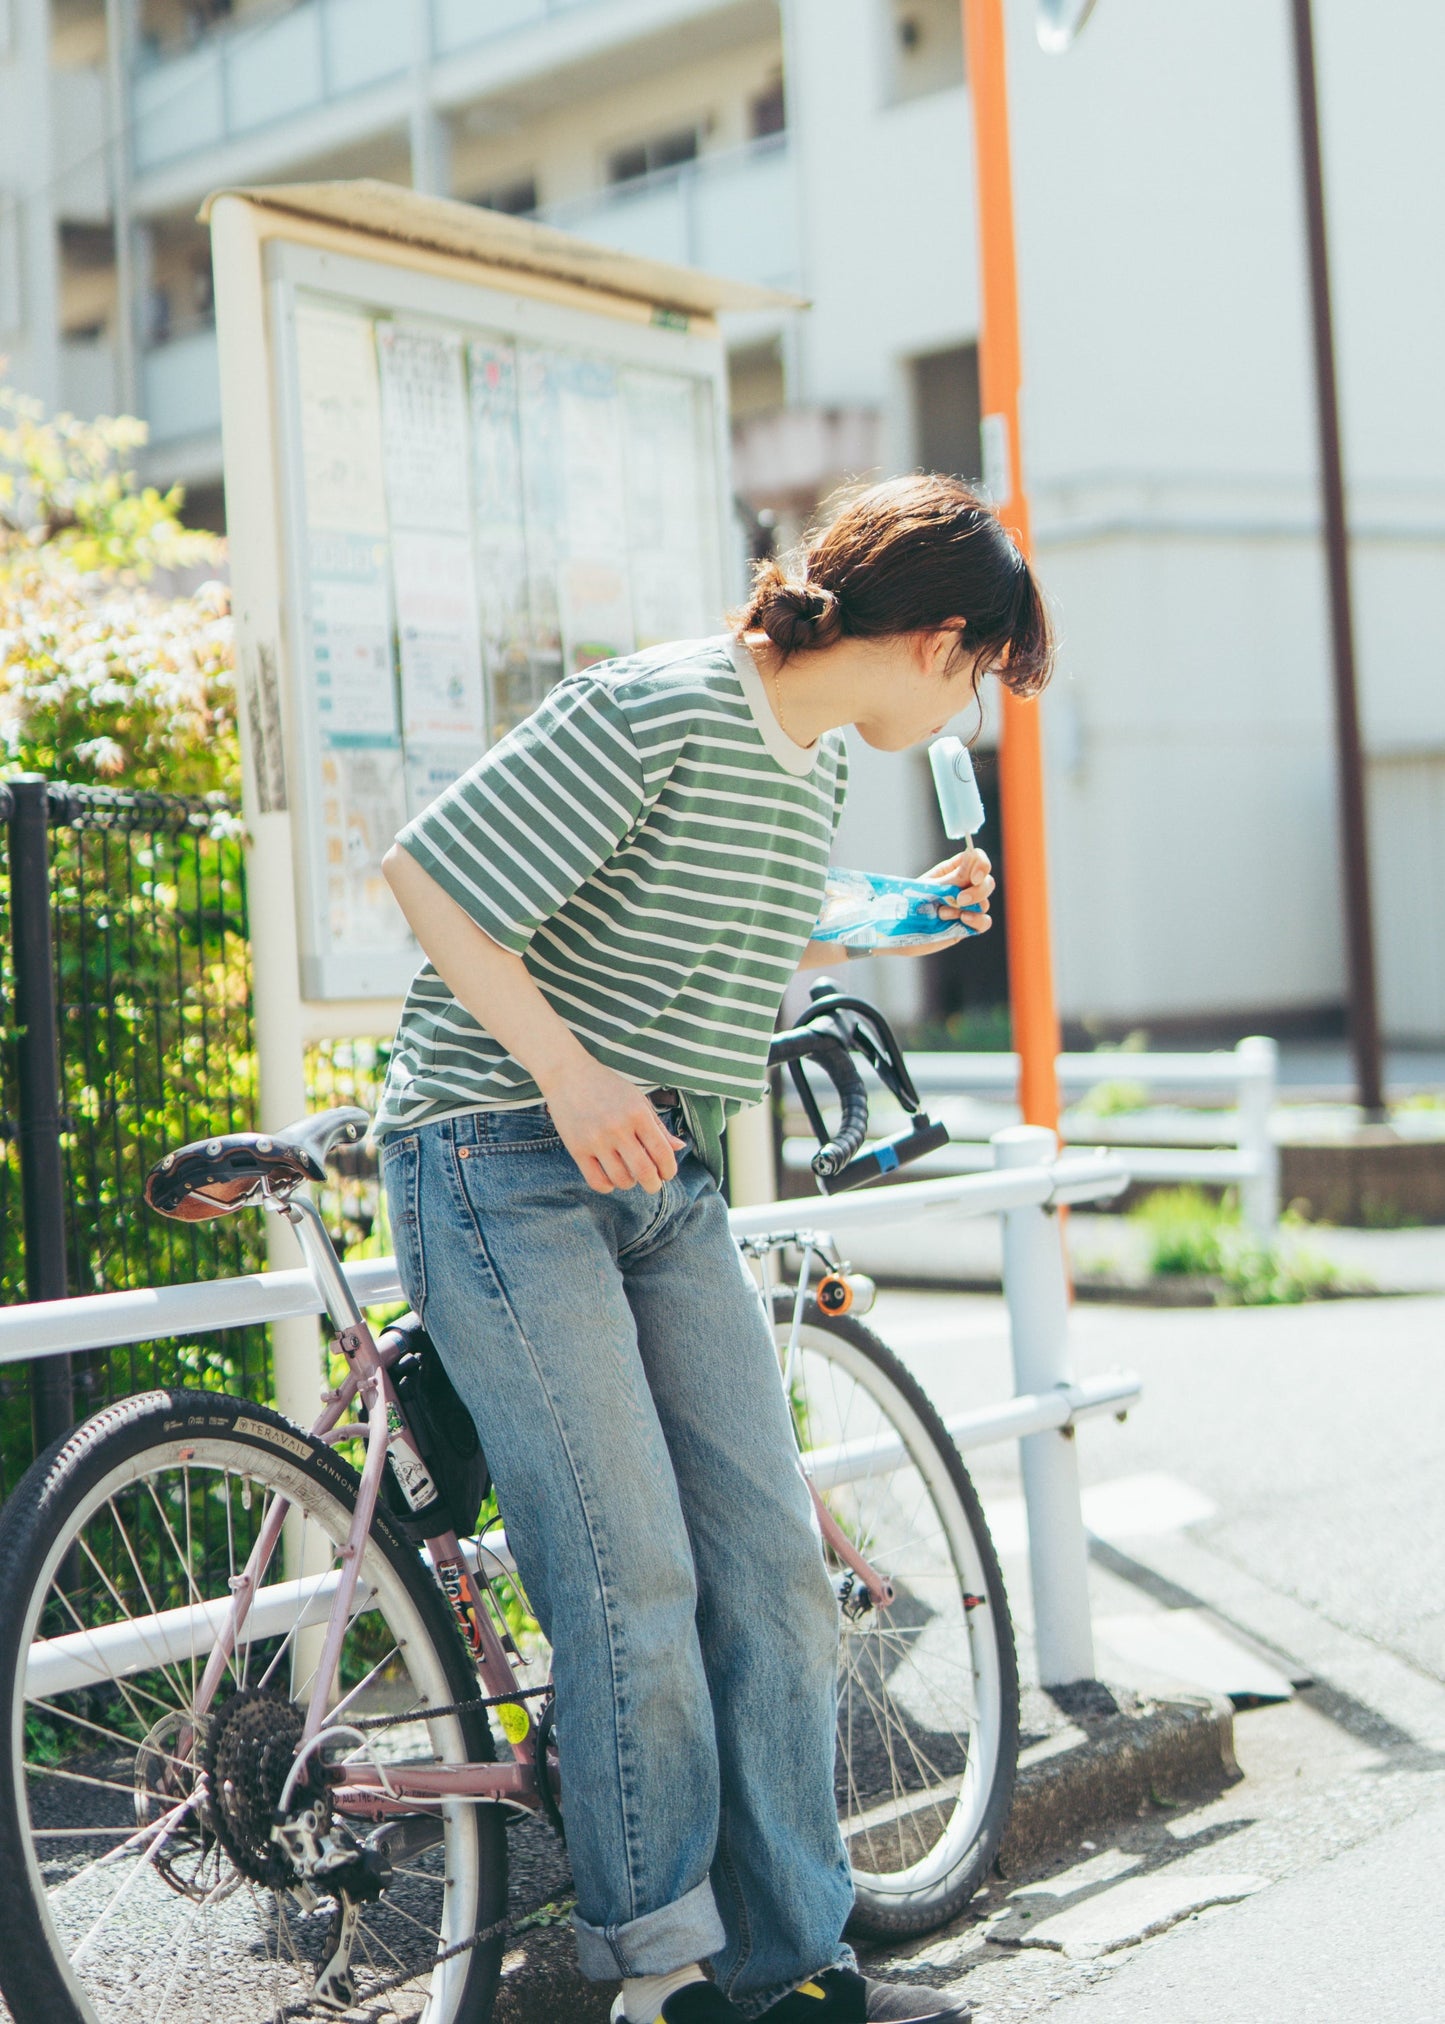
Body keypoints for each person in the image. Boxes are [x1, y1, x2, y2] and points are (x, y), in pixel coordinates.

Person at [375, 475, 1053, 2024]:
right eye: (981, 674)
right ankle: (660, 1977)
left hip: (657, 1171)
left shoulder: (805, 764)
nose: (974, 710)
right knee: (633, 1580)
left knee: (771, 1564)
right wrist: (567, 1070)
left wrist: (895, 914)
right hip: (498, 1156)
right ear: (939, 636)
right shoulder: (663, 702)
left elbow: (753, 906)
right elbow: (428, 871)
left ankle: (792, 1967)